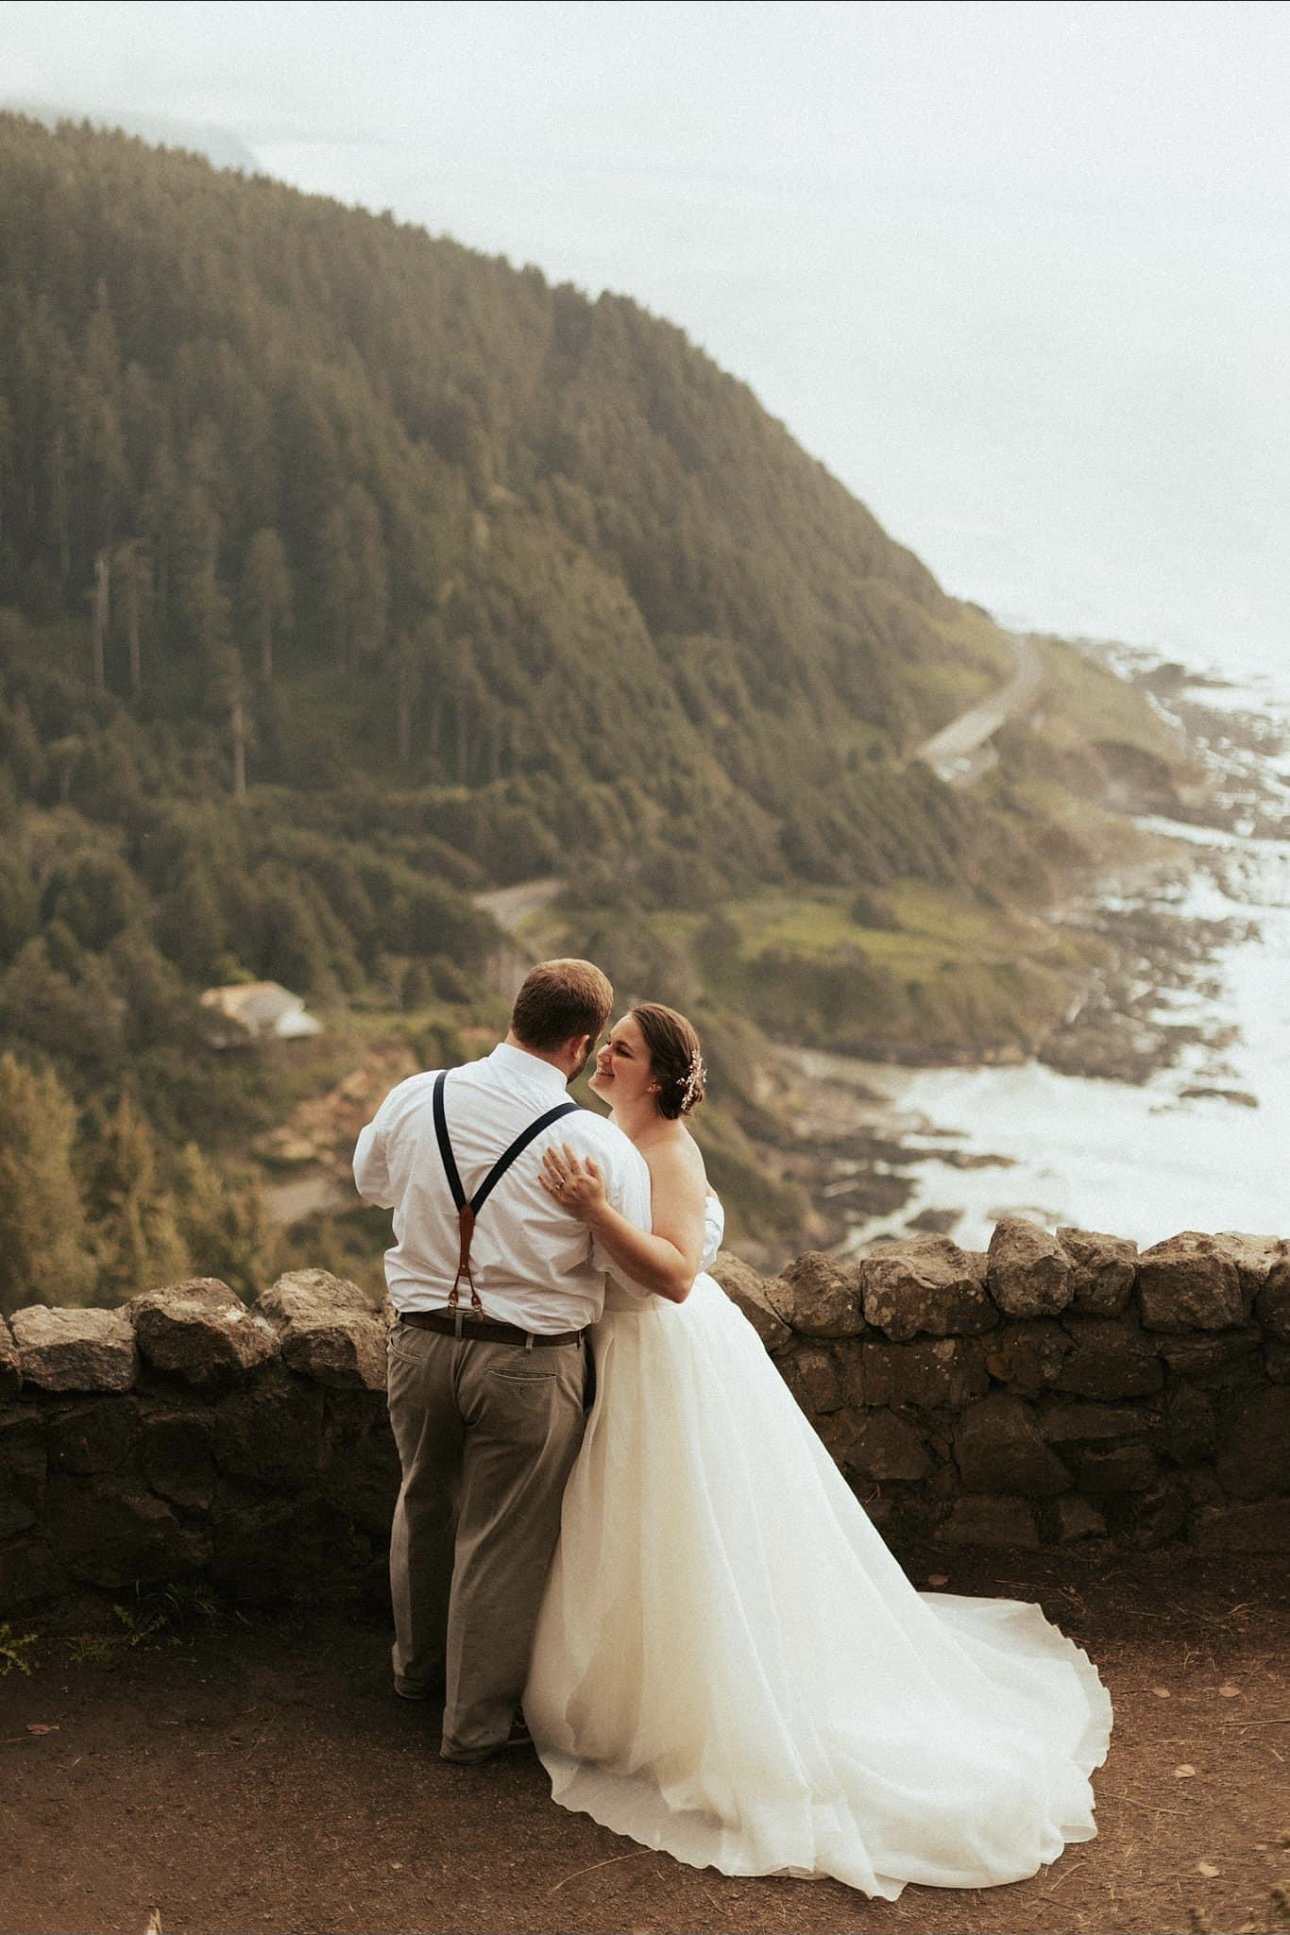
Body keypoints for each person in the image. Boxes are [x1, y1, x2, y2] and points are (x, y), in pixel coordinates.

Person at [525, 1001, 1113, 1900]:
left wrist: (595, 1211)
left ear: (659, 1075)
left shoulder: (669, 1153)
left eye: (624, 1048)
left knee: (689, 1538)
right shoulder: (614, 1131)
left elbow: (678, 1276)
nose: (605, 1055)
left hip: (667, 1360)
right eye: (606, 1043)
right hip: (629, 1356)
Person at [352, 959, 653, 1764]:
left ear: (516, 1013)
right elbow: (631, 1275)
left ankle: (414, 1675)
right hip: (527, 1363)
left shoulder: (419, 1094)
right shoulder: (591, 1141)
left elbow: (369, 1181)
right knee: (502, 1539)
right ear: (580, 1042)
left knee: (423, 1503)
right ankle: (473, 1723)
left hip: (419, 1344)